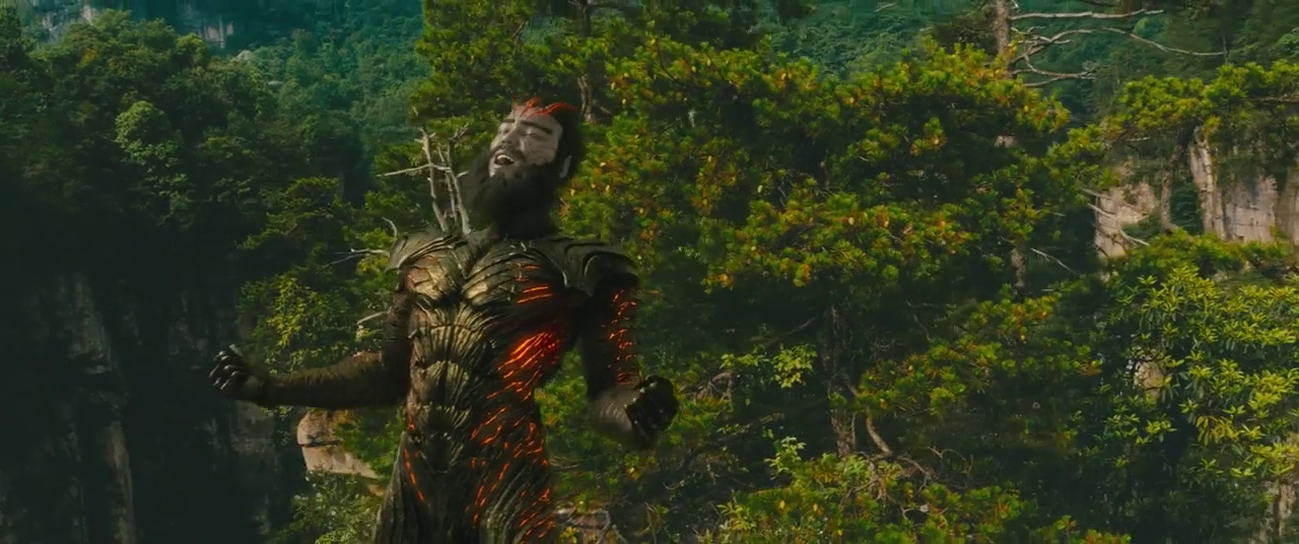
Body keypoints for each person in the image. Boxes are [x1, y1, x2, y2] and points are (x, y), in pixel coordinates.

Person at [209, 98, 679, 543]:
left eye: (535, 133)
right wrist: (270, 388)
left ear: (563, 166)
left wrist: (636, 411)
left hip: (505, 482)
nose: (509, 139)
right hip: (413, 489)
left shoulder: (584, 269)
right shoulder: (427, 257)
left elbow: (608, 393)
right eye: (505, 128)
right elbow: (387, 374)